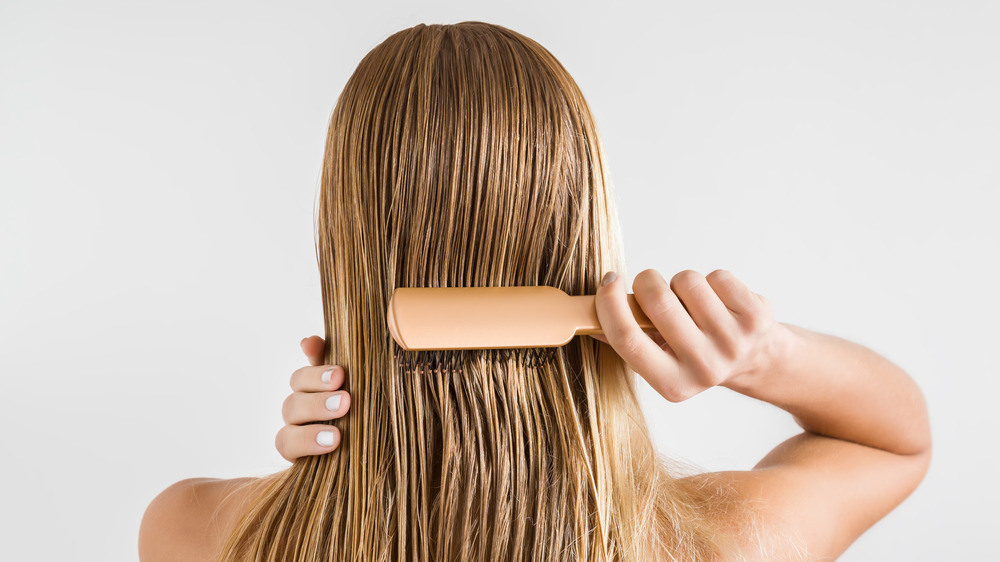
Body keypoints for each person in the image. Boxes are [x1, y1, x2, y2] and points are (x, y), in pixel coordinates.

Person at [139, 21, 931, 561]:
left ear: (347, 249)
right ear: (583, 226)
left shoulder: (197, 534)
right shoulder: (721, 544)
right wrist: (759, 354)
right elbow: (895, 442)